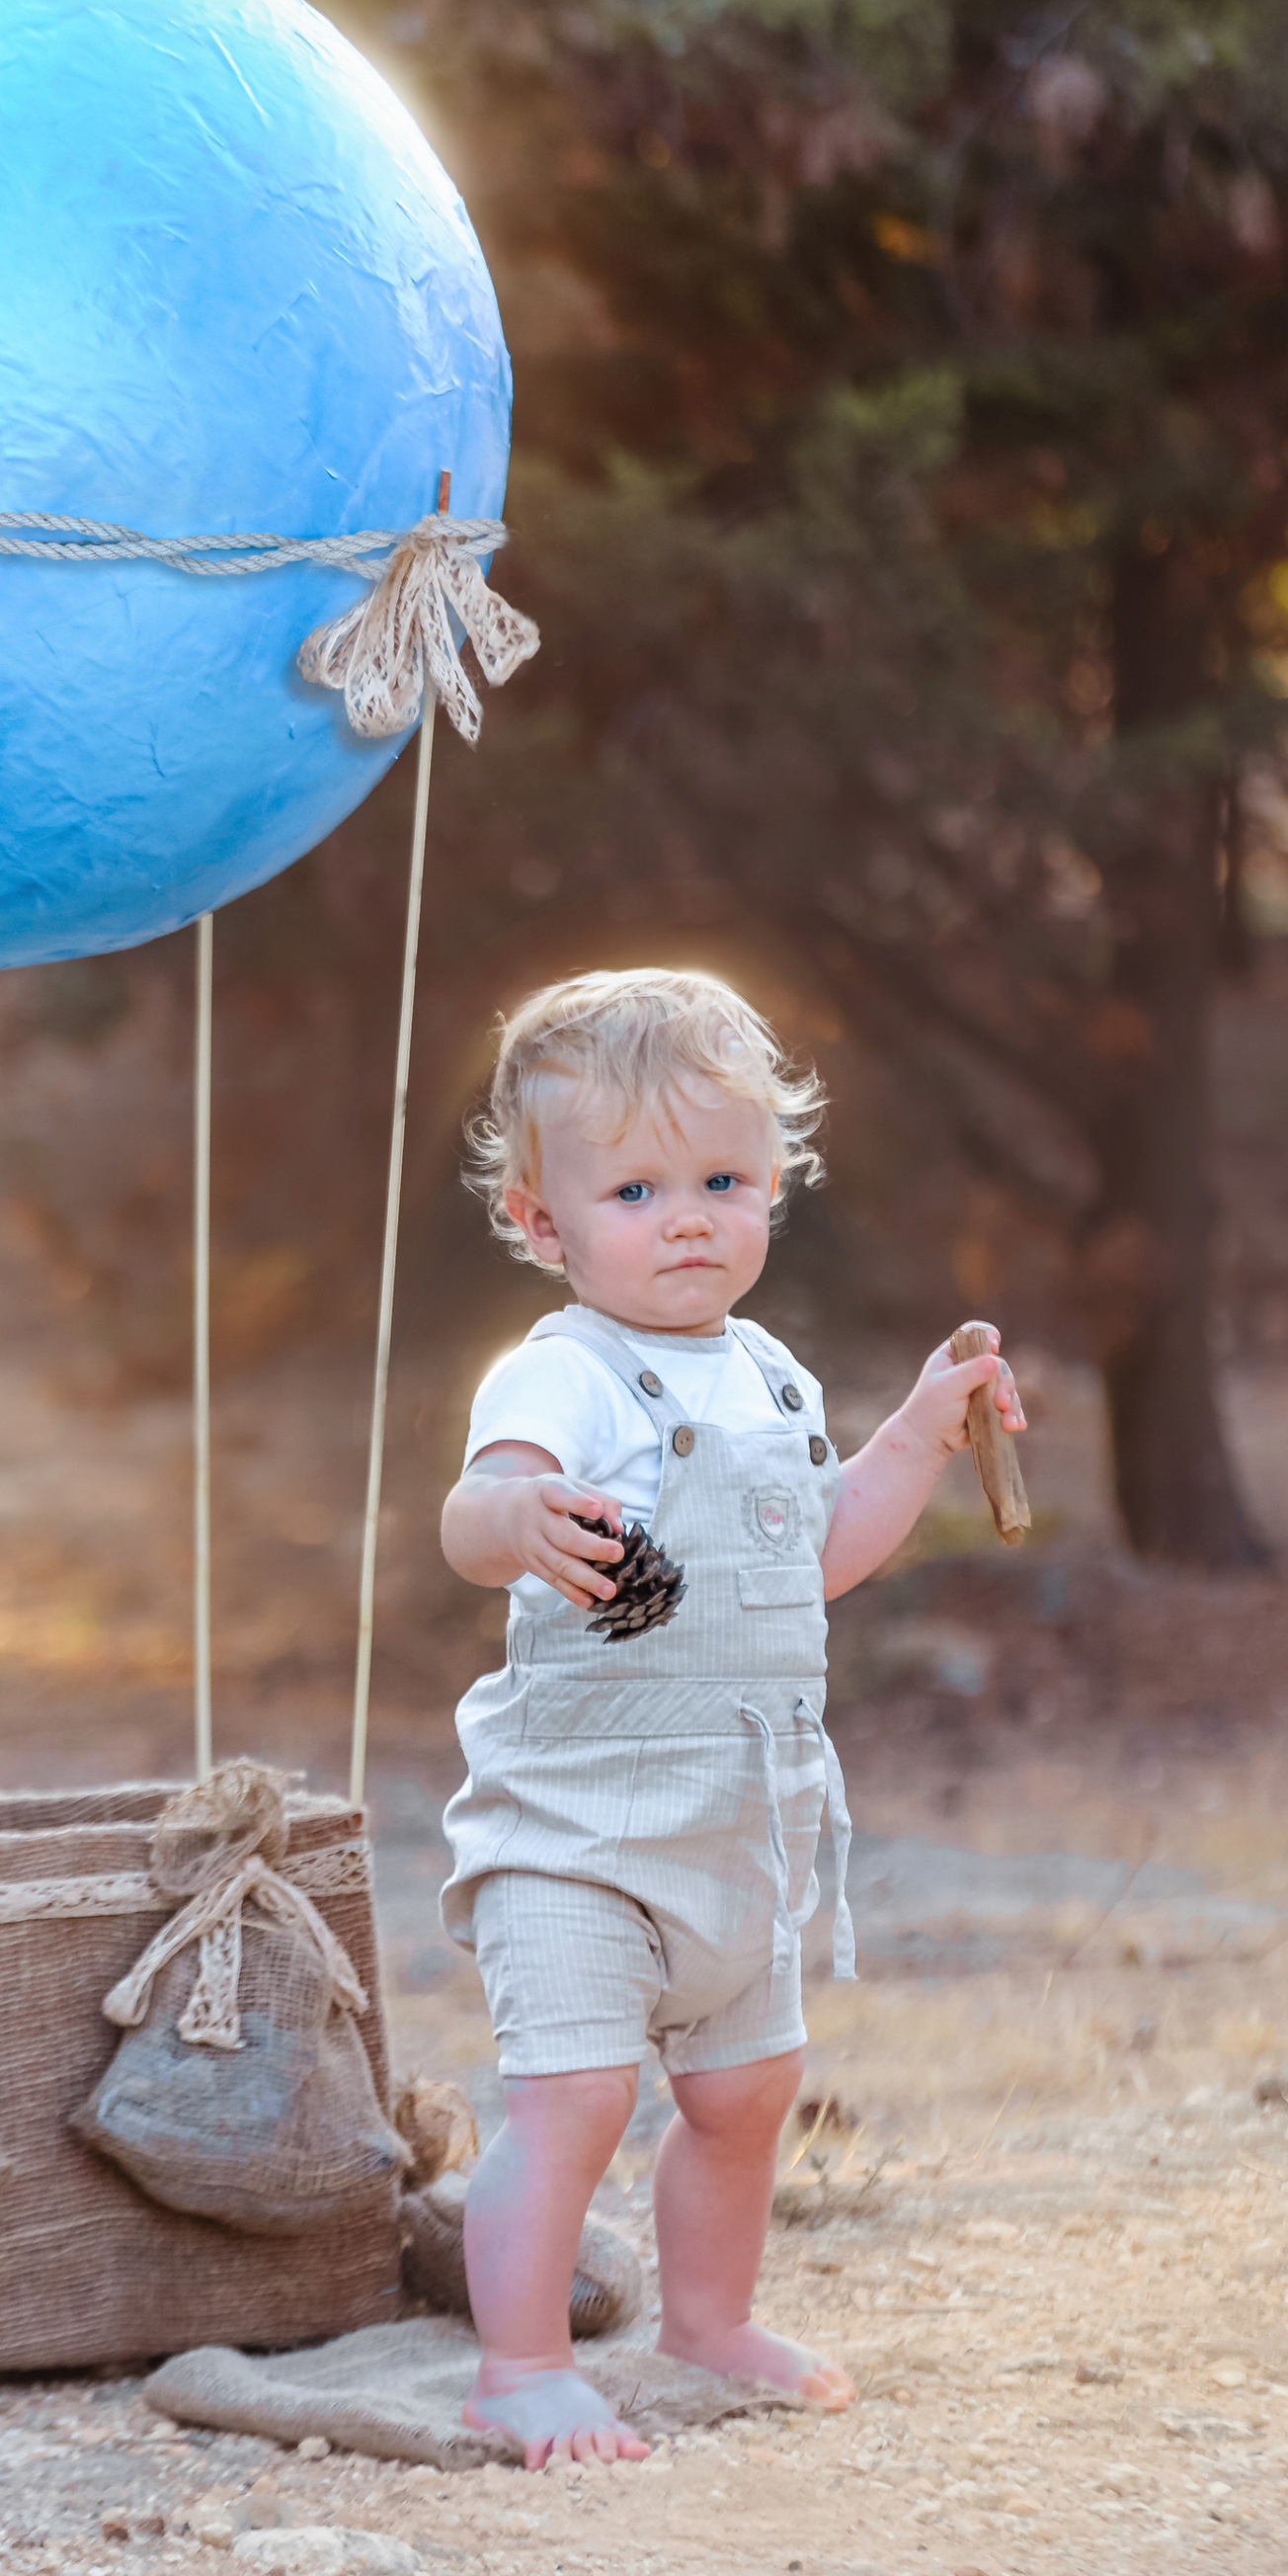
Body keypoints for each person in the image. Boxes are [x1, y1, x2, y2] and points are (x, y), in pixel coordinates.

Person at [438, 966, 1026, 2467]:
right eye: (634, 1187)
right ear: (540, 1220)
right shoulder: (563, 1369)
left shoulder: (768, 1375)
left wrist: (913, 1432)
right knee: (572, 2095)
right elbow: (467, 1510)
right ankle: (520, 2363)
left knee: (746, 2087)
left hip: (740, 1814)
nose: (687, 1215)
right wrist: (520, 1515)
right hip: (578, 1821)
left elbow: (815, 1555)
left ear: (775, 1181)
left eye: (722, 1178)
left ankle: (705, 2320)